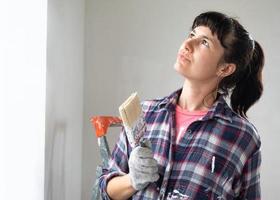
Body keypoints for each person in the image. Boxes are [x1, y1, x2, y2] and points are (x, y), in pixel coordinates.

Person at [98, 11, 264, 200]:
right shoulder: (144, 113)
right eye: (192, 34)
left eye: (204, 42)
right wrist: (132, 180)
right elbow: (105, 189)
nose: (187, 44)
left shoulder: (242, 136)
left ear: (224, 68)